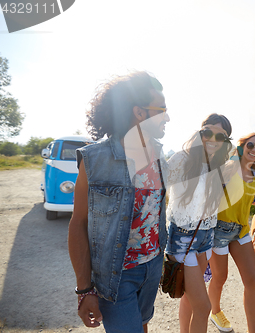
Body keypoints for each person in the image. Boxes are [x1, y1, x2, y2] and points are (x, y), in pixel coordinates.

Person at [68, 71, 170, 333]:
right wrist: (83, 289)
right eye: (161, 110)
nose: (167, 117)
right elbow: (78, 224)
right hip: (117, 276)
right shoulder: (94, 159)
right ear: (139, 112)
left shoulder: (160, 156)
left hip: (152, 268)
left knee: (143, 324)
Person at [165, 114, 233, 333]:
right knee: (203, 307)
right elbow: (156, 192)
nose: (212, 138)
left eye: (220, 135)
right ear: (200, 132)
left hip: (205, 238)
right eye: (208, 132)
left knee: (190, 299)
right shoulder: (181, 159)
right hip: (183, 237)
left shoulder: (219, 164)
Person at [207, 133, 255, 333]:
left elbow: (247, 200)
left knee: (252, 279)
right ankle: (215, 311)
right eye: (251, 145)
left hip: (240, 231)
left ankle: (253, 331)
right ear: (242, 146)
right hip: (219, 231)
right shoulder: (227, 169)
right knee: (220, 277)